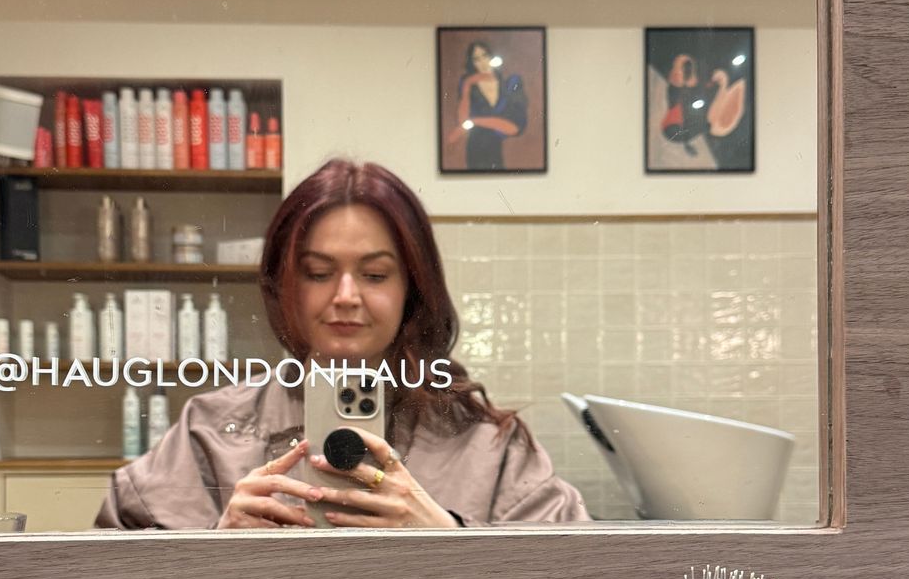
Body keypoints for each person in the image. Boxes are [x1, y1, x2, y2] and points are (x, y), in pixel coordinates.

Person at [95, 158, 589, 530]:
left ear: (412, 289)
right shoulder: (208, 434)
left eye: (374, 274)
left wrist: (449, 541)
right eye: (317, 273)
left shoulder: (488, 447)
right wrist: (216, 553)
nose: (345, 297)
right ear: (283, 284)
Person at [446, 41, 528, 171]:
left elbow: (514, 127)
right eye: (476, 59)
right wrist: (467, 84)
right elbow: (462, 120)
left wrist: (474, 121)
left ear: (492, 57)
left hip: (500, 150)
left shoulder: (510, 83)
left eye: (485, 56)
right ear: (472, 63)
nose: (482, 62)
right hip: (475, 147)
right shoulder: (468, 84)